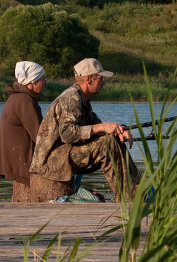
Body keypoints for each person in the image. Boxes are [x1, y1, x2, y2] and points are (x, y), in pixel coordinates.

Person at [31, 57, 140, 202]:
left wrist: (119, 130)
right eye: (100, 79)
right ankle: (129, 199)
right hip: (51, 162)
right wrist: (103, 127)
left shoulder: (83, 99)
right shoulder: (71, 98)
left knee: (113, 139)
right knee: (106, 144)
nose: (103, 83)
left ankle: (137, 190)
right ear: (89, 79)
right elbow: (68, 134)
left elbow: (99, 126)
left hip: (64, 154)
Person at [0, 60, 47, 202]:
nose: (46, 83)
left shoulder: (18, 97)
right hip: (22, 163)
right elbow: (40, 137)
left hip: (17, 161)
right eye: (42, 79)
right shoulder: (25, 102)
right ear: (33, 82)